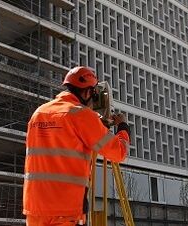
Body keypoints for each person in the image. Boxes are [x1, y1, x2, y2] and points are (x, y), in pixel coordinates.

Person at [23, 66, 130, 226]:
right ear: (87, 93)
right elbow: (119, 152)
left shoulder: (39, 113)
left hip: (35, 209)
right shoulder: (81, 115)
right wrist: (123, 127)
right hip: (65, 210)